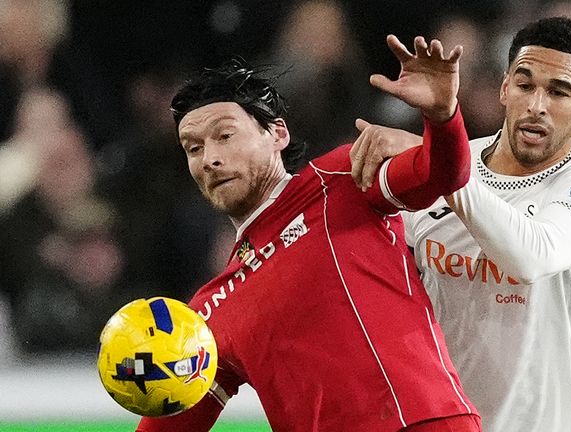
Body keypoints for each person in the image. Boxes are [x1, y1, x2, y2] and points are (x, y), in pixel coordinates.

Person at [135, 35, 481, 432]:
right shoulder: (209, 309)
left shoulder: (340, 179)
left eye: (225, 135)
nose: (210, 159)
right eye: (192, 148)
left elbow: (444, 174)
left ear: (278, 134)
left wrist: (442, 116)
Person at [350, 17, 571, 432]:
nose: (537, 105)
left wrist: (441, 162)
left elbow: (530, 255)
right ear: (504, 89)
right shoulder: (436, 166)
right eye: (525, 85)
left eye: (559, 91)